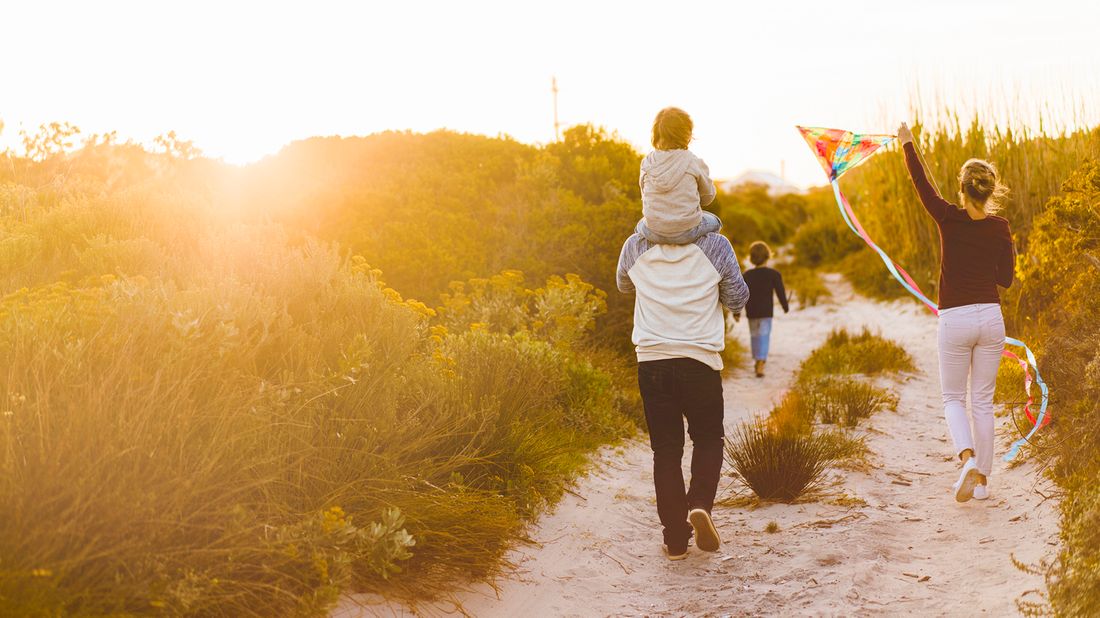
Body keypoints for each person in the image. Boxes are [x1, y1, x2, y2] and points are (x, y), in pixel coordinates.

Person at [616, 224, 749, 561]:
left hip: (653, 362)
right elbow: (737, 297)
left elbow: (623, 285)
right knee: (707, 440)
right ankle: (700, 504)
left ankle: (675, 540)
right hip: (699, 362)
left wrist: (659, 286)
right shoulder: (716, 245)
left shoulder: (635, 245)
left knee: (666, 450)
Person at [899, 122, 1015, 503]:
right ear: (991, 190)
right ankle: (982, 481)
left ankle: (966, 458)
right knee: (983, 401)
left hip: (955, 319)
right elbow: (1006, 280)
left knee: (953, 398)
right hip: (991, 319)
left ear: (962, 189)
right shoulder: (1001, 228)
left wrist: (908, 144)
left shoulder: (947, 217)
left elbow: (922, 187)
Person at [635, 107, 722, 245]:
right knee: (716, 222)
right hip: (687, 232)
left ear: (656, 132)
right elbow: (708, 198)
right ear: (687, 134)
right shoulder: (693, 161)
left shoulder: (647, 162)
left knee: (639, 225)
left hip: (653, 232)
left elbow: (644, 195)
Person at [736, 241, 789, 378]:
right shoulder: (774, 274)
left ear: (752, 258)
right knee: (764, 336)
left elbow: (740, 295)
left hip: (752, 312)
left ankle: (757, 359)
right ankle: (761, 362)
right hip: (766, 312)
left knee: (754, 336)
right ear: (768, 256)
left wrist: (737, 312)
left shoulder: (747, 275)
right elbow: (780, 292)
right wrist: (785, 306)